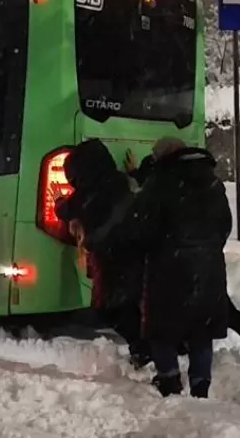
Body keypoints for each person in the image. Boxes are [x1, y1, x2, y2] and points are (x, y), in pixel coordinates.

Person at [111, 137, 231, 399]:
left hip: (169, 268)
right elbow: (225, 225)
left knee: (161, 327)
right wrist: (205, 248)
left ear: (163, 157)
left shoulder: (160, 183)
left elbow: (142, 228)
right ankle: (200, 387)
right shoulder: (212, 182)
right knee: (201, 328)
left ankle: (169, 380)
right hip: (208, 266)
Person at [55, 140, 148, 366]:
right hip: (133, 252)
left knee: (110, 308)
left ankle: (143, 349)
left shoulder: (87, 191)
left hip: (110, 257)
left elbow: (65, 210)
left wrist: (58, 199)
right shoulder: (120, 181)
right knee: (129, 303)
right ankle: (145, 347)